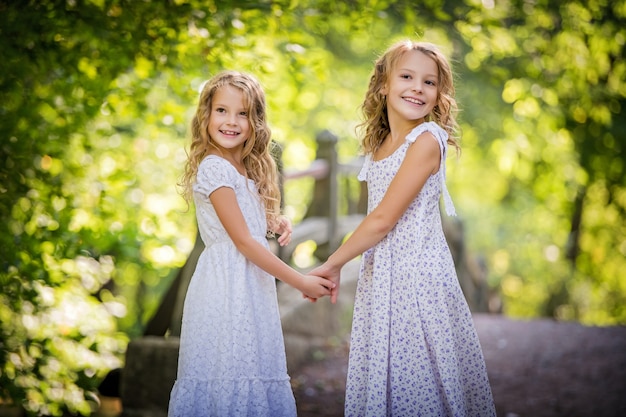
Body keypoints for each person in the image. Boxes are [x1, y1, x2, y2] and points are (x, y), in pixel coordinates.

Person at [309, 41, 497, 416]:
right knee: (390, 377)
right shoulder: (381, 143)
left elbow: (381, 219)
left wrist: (333, 262)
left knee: (419, 379)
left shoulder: (426, 140)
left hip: (416, 277)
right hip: (385, 277)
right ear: (383, 84)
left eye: (429, 82)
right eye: (407, 76)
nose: (417, 87)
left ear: (438, 94)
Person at [168, 70, 335, 416]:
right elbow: (242, 241)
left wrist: (275, 220)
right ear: (206, 115)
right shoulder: (214, 167)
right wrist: (300, 279)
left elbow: (246, 221)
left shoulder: (242, 167)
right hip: (225, 287)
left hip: (249, 286)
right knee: (228, 374)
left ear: (254, 120)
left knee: (251, 371)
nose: (231, 122)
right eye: (222, 111)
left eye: (242, 113)